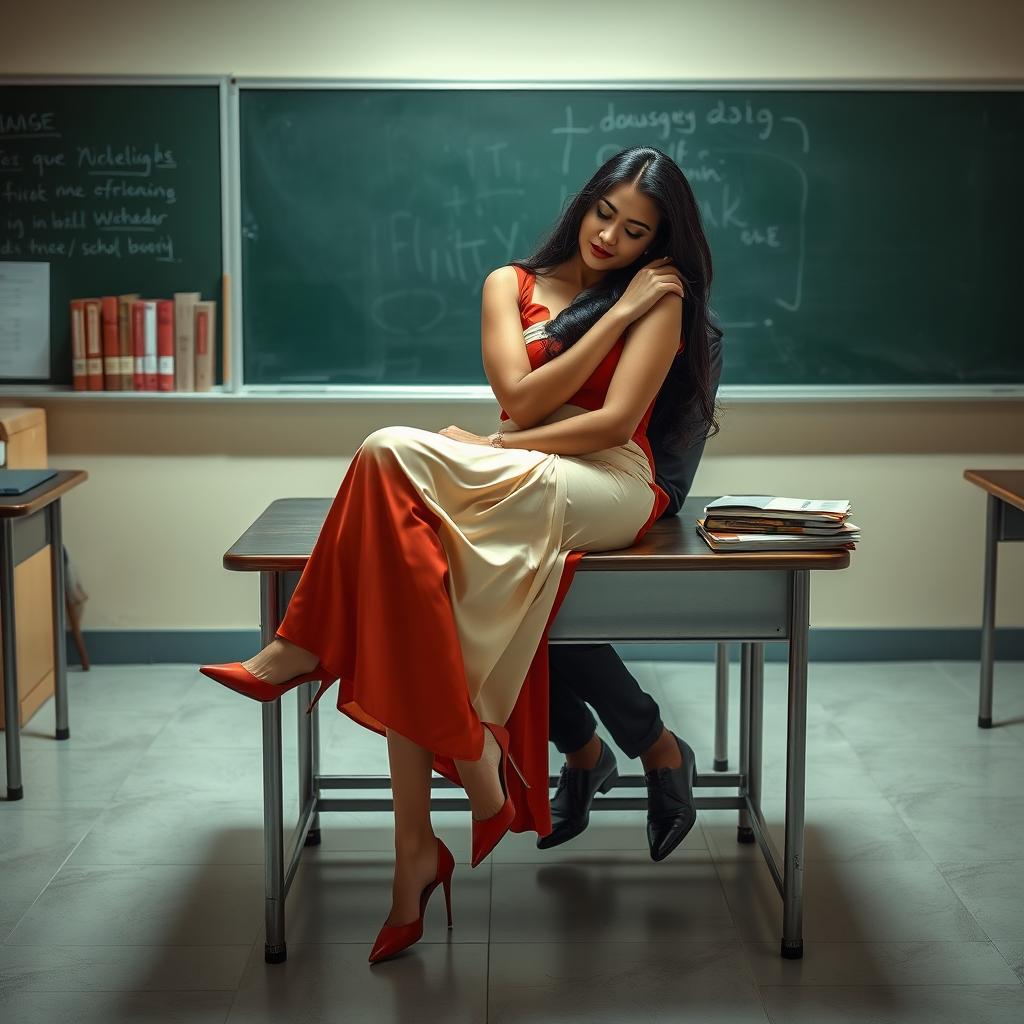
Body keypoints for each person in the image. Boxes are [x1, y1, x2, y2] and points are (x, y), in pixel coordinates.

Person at [199, 144, 722, 964]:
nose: (611, 238)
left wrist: (613, 321)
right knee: (406, 575)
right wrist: (512, 428)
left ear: (658, 243)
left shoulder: (658, 299)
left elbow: (614, 425)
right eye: (604, 214)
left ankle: (317, 655)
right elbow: (518, 397)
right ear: (583, 204)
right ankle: (421, 845)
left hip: (609, 483)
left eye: (636, 230)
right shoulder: (508, 286)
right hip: (523, 466)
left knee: (384, 451)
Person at [541, 332, 722, 861]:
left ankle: (593, 751)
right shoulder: (566, 302)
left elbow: (669, 460)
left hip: (636, 479)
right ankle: (632, 749)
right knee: (502, 587)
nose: (609, 242)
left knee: (525, 589)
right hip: (554, 470)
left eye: (636, 238)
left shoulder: (691, 323)